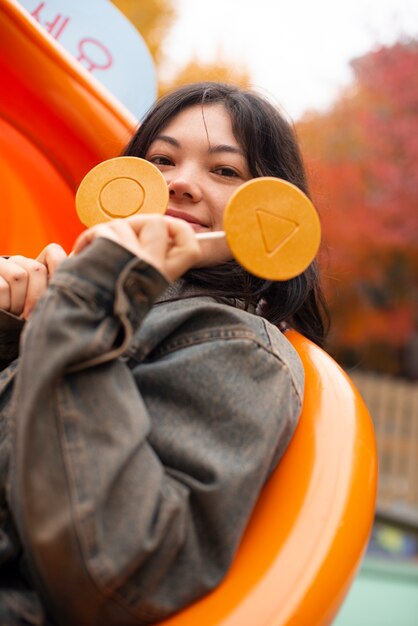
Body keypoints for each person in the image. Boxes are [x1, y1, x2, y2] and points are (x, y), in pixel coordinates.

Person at [0, 82, 329, 625]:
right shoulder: (91, 309)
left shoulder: (241, 349)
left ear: (274, 207)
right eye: (160, 160)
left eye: (224, 170)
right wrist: (17, 332)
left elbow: (115, 578)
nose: (180, 183)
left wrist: (79, 316)